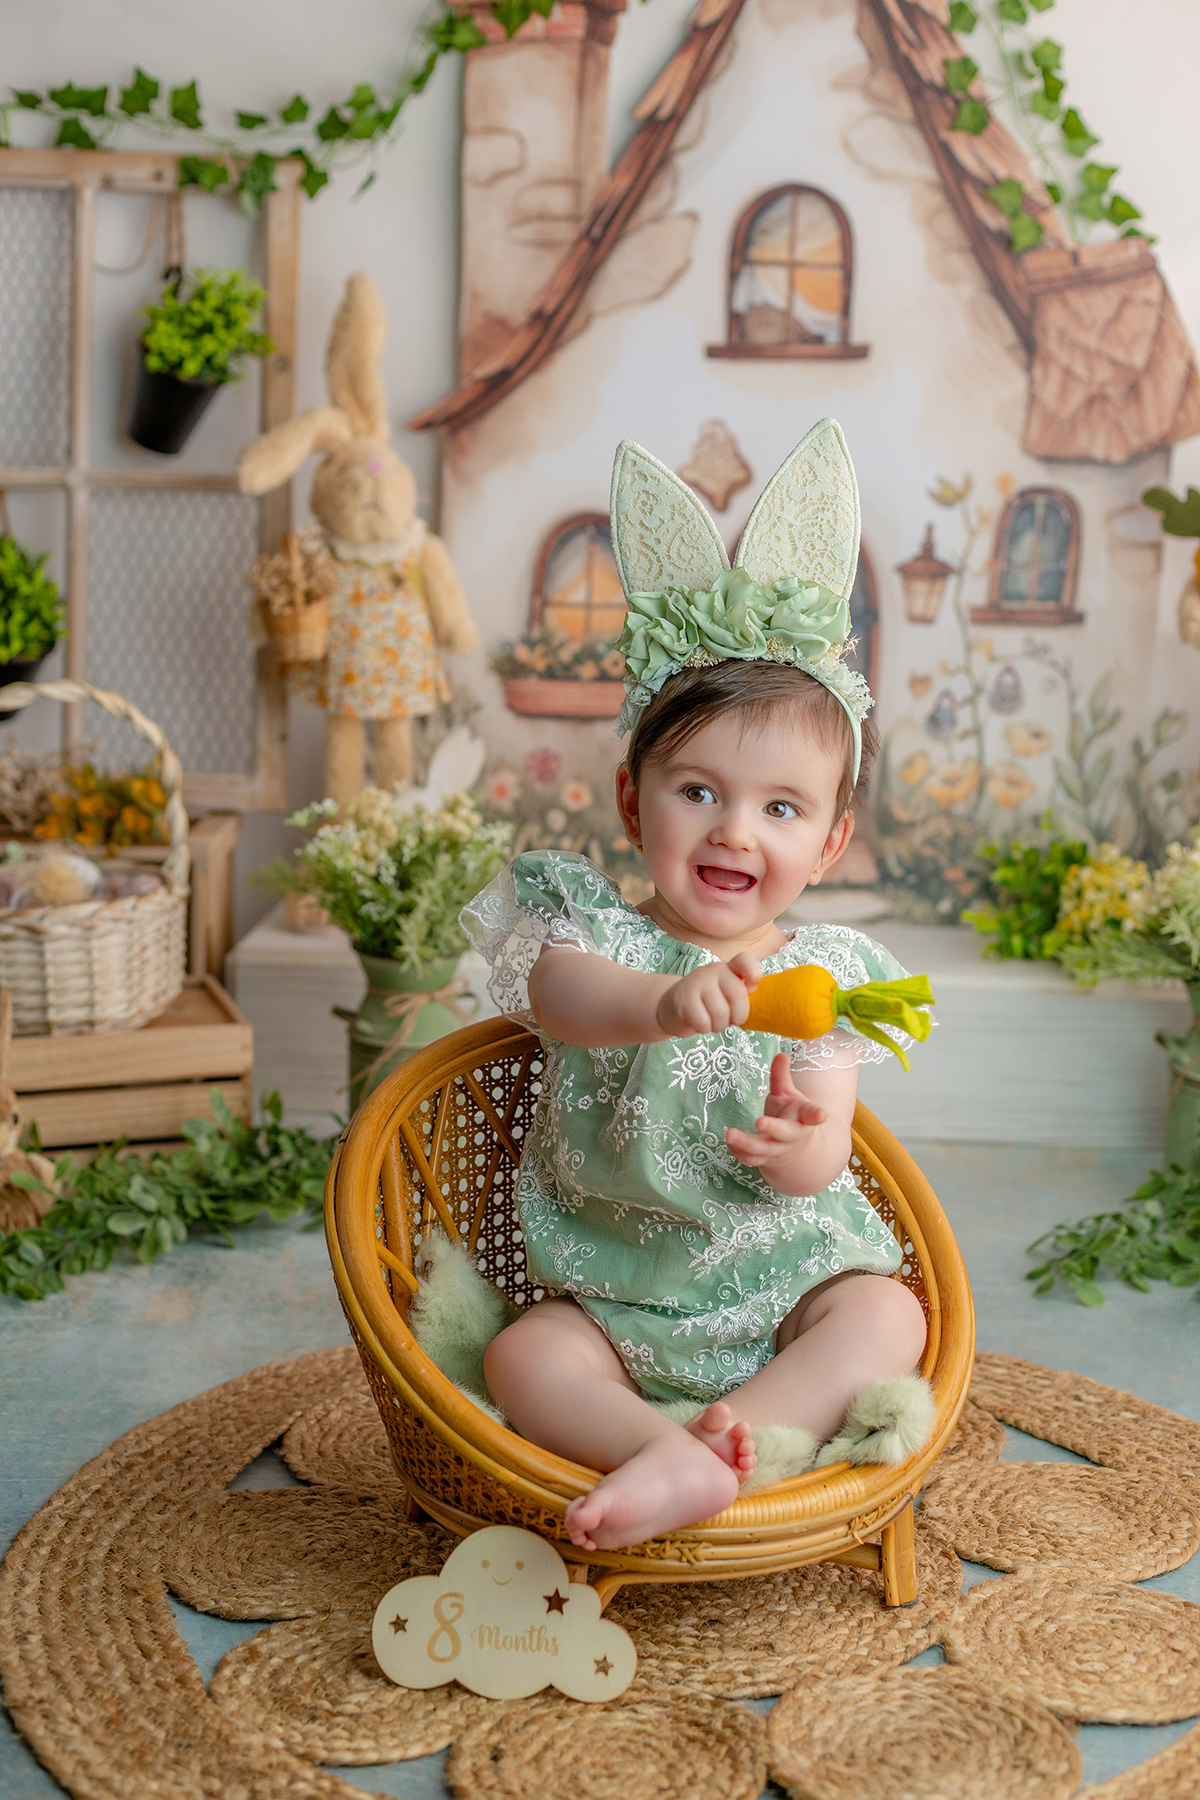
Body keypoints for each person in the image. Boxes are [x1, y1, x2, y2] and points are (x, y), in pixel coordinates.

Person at [461, 423, 932, 1552]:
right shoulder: (587, 928)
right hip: (611, 1292)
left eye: (781, 808)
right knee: (520, 1353)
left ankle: (734, 1440)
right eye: (698, 791)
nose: (735, 829)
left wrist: (797, 1140)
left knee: (887, 1312)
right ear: (633, 803)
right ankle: (653, 1444)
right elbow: (560, 998)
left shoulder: (829, 977)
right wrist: (662, 1006)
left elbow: (830, 1146)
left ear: (828, 843)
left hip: (782, 1287)